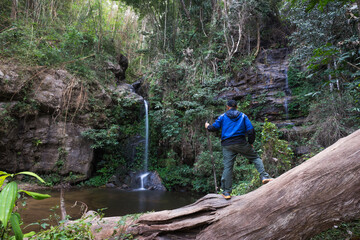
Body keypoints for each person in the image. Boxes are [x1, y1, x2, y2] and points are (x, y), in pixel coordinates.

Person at [205, 100, 273, 200]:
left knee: (228, 167)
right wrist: (250, 142)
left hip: (227, 144)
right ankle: (264, 176)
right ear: (237, 107)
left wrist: (207, 126)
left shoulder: (223, 116)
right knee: (255, 157)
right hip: (241, 142)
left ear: (227, 107)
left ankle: (226, 192)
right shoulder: (242, 116)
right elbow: (250, 130)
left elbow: (213, 128)